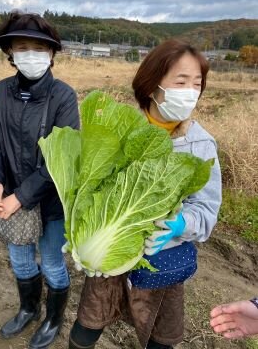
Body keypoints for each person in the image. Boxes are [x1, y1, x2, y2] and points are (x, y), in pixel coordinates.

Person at [68, 39, 222, 349]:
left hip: (161, 258)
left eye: (197, 83)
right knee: (88, 323)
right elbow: (88, 186)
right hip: (111, 251)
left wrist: (179, 225)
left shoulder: (201, 145)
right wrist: (78, 236)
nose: (191, 91)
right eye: (181, 82)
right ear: (152, 85)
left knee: (161, 336)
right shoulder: (121, 129)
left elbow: (206, 211)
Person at [0, 11, 79, 349]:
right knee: (20, 259)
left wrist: (20, 196)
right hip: (10, 195)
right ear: (10, 53)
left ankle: (53, 319)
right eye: (22, 47)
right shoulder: (1, 91)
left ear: (51, 53)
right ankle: (28, 308)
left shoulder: (63, 97)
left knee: (52, 263)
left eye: (39, 48)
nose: (31, 55)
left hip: (49, 200)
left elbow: (62, 158)